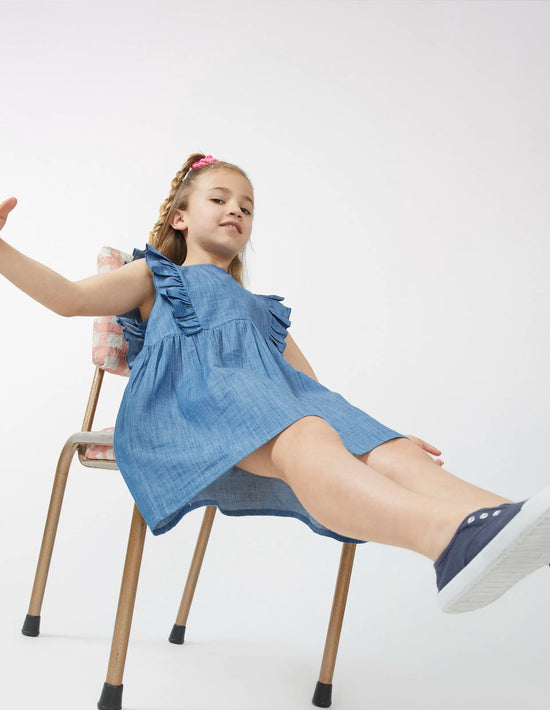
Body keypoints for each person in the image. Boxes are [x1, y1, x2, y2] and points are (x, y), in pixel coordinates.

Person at [1, 152, 550, 617]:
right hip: (187, 410)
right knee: (310, 433)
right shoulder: (155, 276)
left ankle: (515, 523)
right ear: (180, 219)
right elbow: (67, 299)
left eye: (246, 206)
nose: (235, 210)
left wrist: (377, 433)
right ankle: (447, 539)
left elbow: (310, 388)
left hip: (269, 411)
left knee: (382, 445)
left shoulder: (262, 313)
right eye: (218, 199)